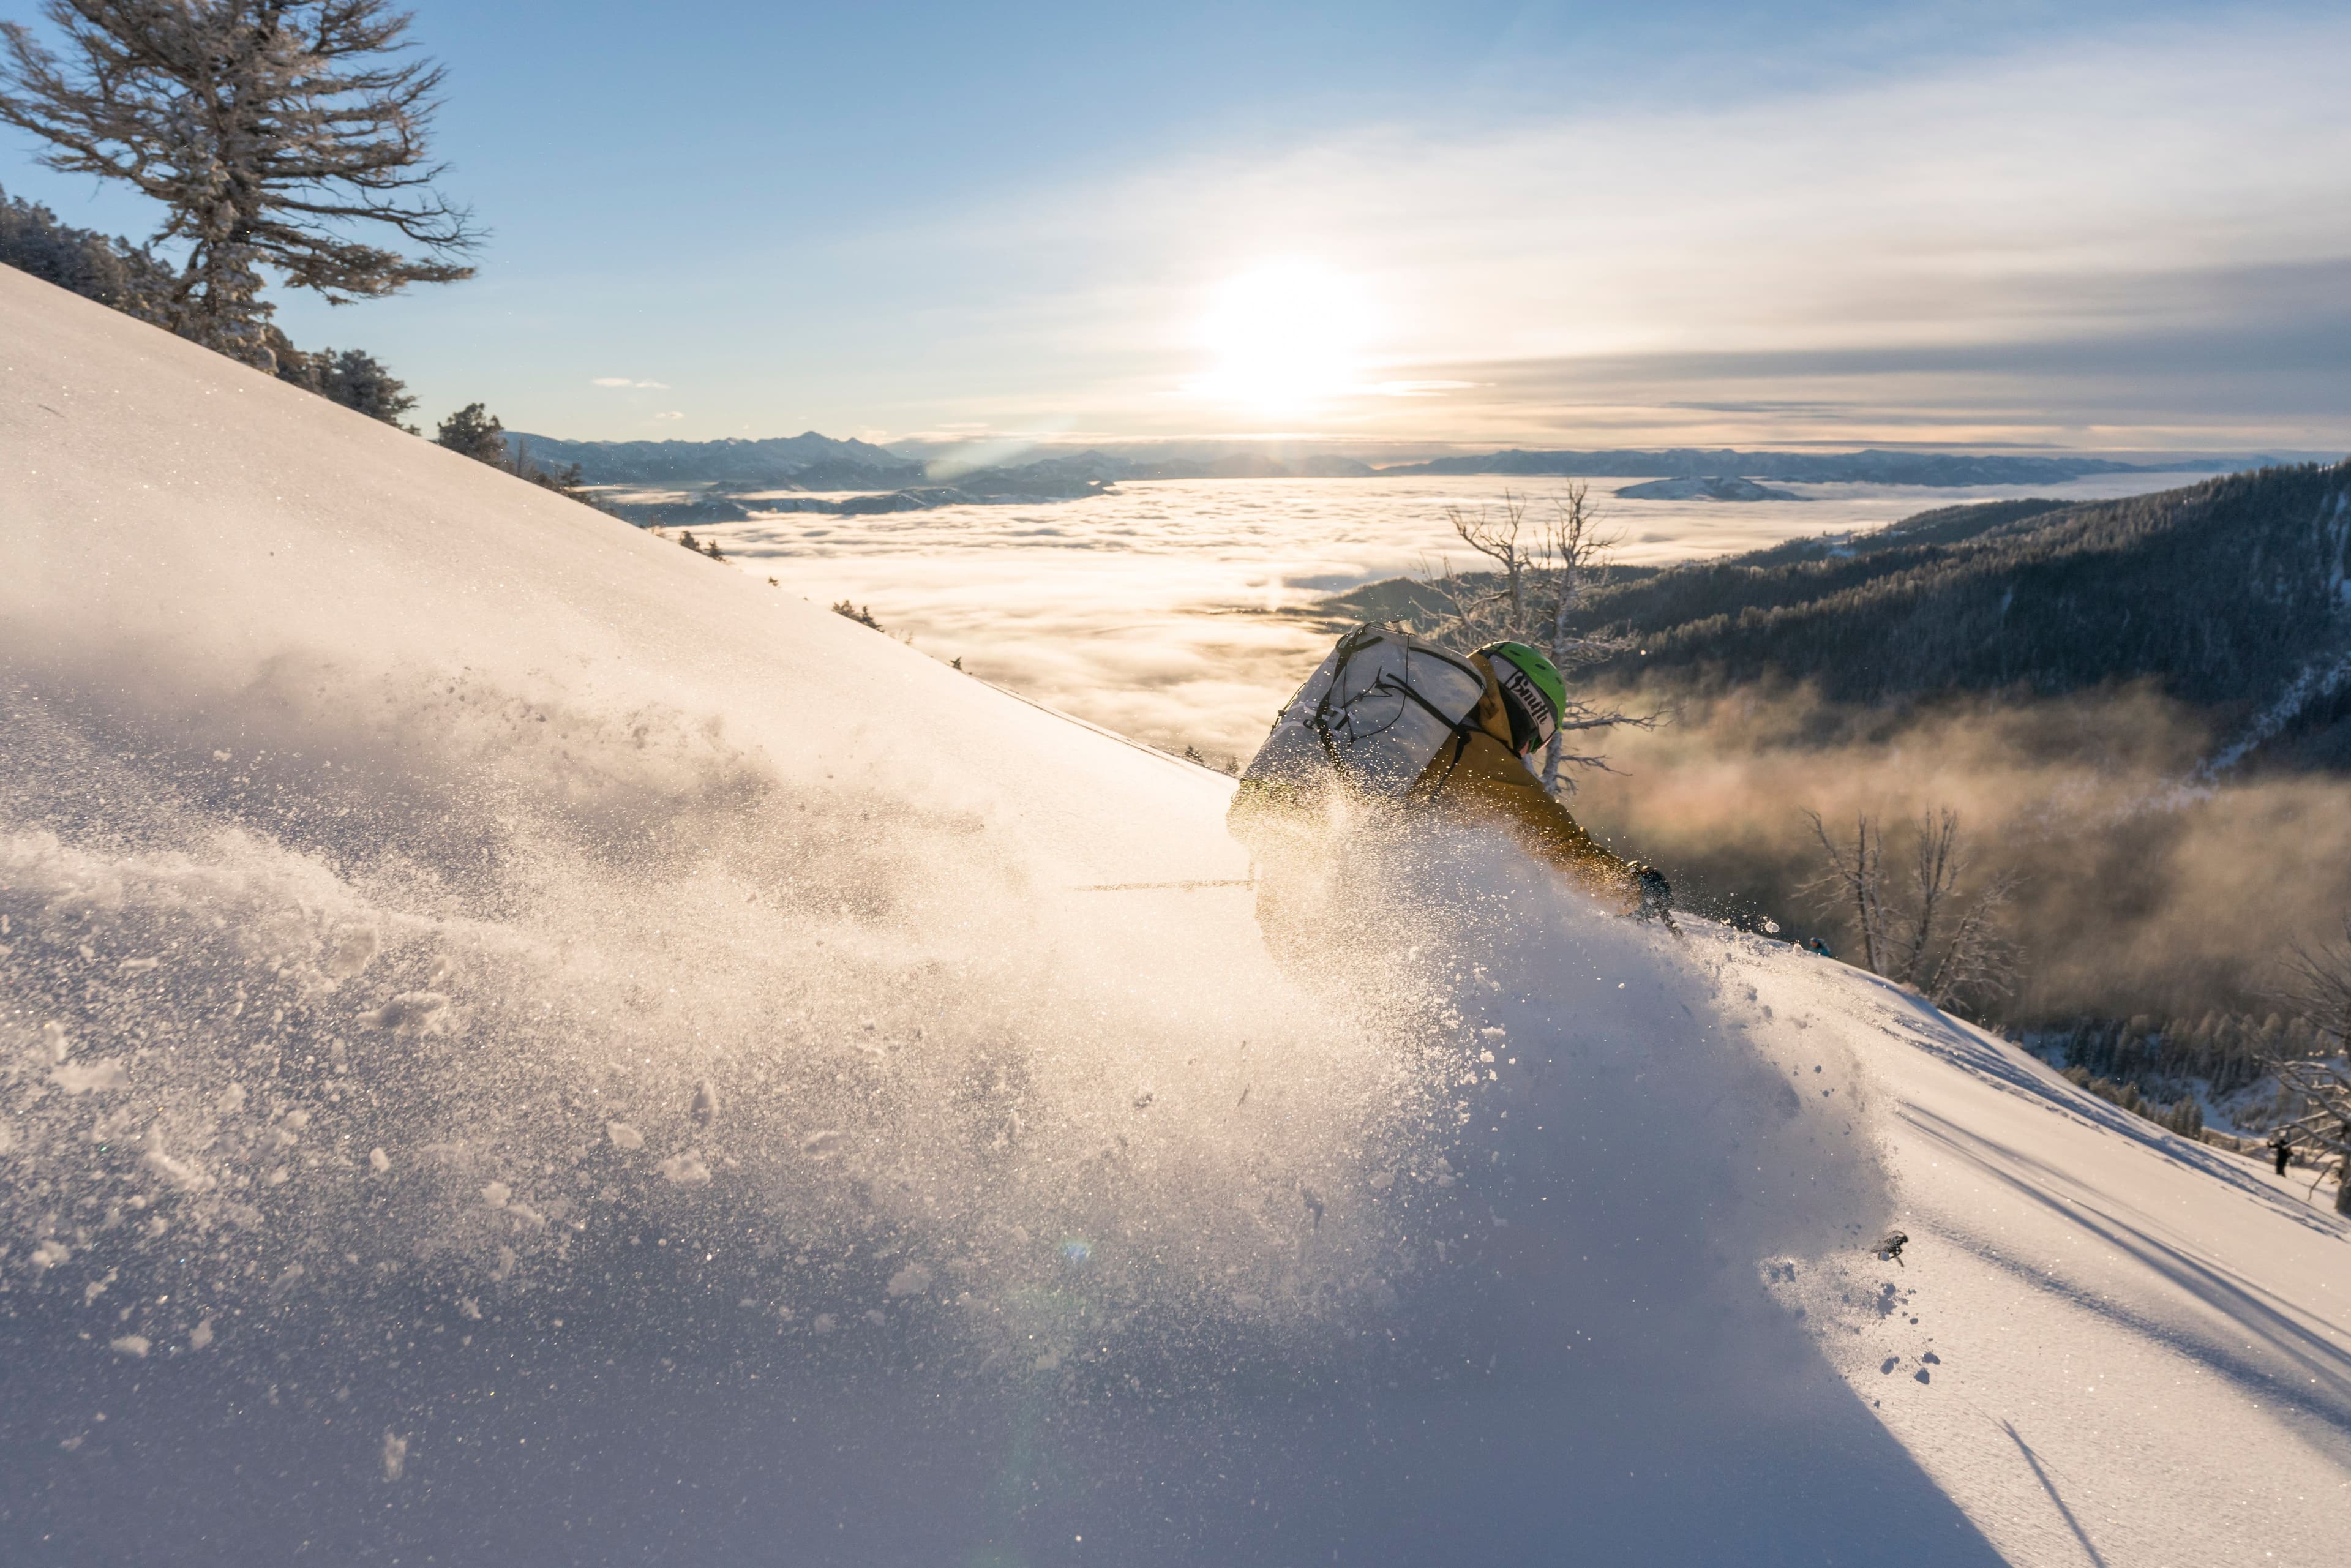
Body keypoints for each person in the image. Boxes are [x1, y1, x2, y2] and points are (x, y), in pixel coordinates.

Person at [1228, 626, 1670, 923]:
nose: (1526, 752)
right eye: (1538, 736)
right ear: (1528, 711)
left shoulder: (1414, 720)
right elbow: (1562, 849)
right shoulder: (1476, 752)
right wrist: (1634, 890)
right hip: (1343, 919)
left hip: (1291, 889)